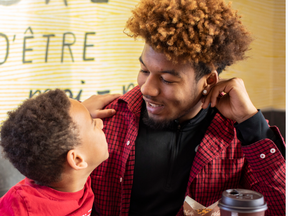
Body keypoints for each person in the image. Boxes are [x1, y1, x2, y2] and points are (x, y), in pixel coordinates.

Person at [83, 0, 286, 215]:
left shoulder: (238, 136)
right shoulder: (104, 122)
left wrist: (250, 121)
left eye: (167, 79)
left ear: (209, 81)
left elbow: (280, 207)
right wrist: (70, 122)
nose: (147, 89)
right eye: (144, 70)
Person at [0, 89, 113, 216]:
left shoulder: (70, 175)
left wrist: (83, 112)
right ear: (77, 160)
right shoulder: (20, 208)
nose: (101, 123)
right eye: (92, 124)